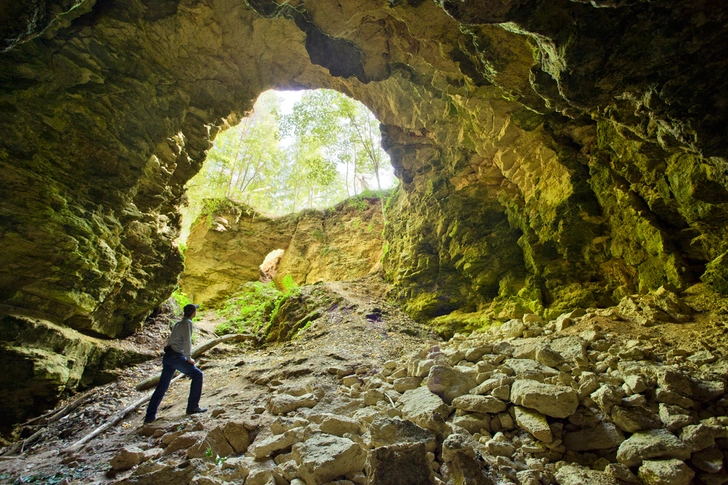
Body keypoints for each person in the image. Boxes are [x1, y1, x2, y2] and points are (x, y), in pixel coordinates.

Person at [144, 303, 207, 423]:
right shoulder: (187, 323)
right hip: (176, 356)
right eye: (195, 310)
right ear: (193, 312)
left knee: (162, 387)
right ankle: (192, 407)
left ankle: (149, 417)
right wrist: (189, 358)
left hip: (168, 356)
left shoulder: (178, 323)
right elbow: (187, 341)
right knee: (198, 375)